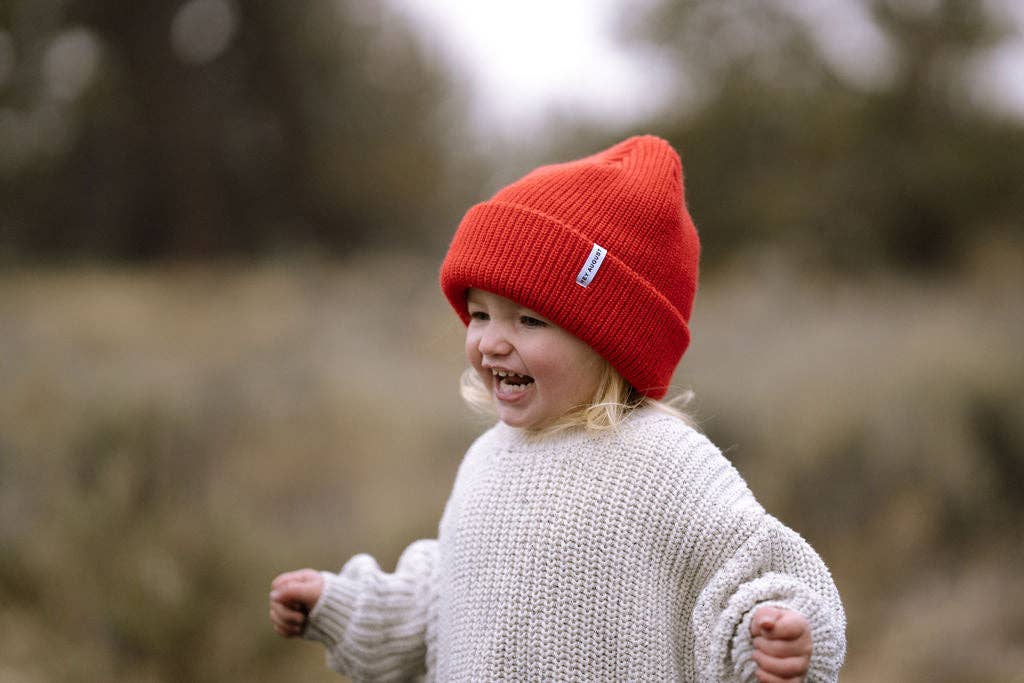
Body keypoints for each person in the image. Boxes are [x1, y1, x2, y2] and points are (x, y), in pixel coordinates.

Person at [269, 135, 846, 681]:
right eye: (480, 314)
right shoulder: (488, 458)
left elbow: (757, 573)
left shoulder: (664, 464)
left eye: (529, 319)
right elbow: (441, 598)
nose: (491, 341)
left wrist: (780, 636)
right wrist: (347, 608)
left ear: (612, 340)